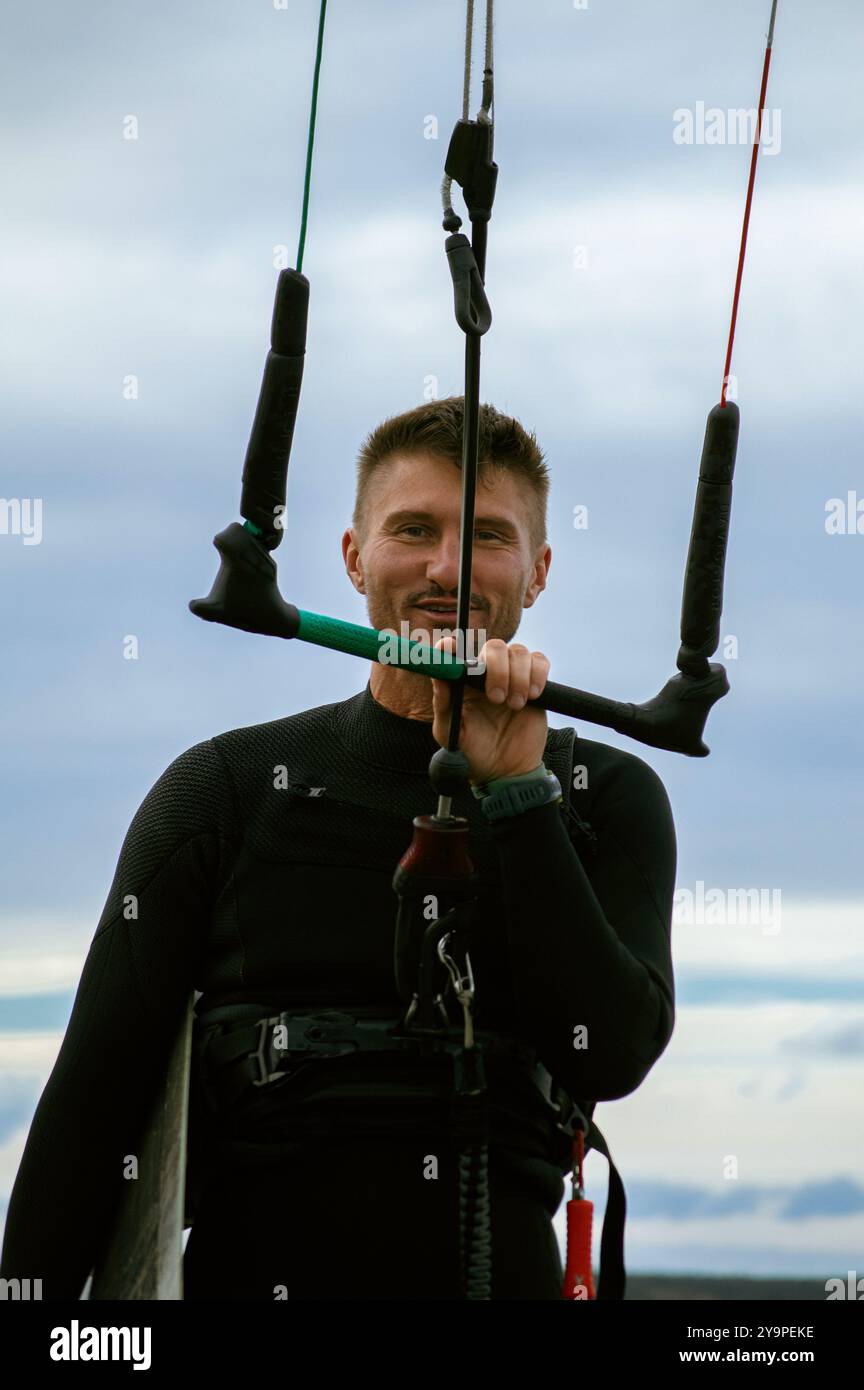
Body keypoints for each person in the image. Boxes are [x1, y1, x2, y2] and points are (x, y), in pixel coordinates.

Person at [0, 396, 677, 1300]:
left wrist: (519, 792)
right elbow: (90, 1116)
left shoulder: (604, 797)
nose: (448, 568)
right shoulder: (227, 790)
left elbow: (612, 1056)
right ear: (354, 557)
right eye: (413, 529)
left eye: (487, 537)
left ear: (538, 569)